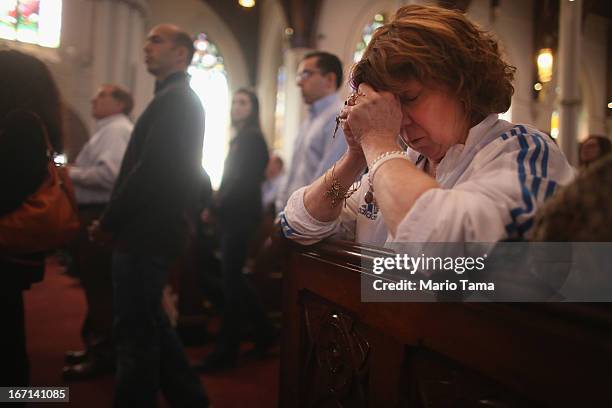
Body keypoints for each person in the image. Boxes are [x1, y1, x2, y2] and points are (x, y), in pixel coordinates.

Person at [280, 5, 574, 246]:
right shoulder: (402, 165)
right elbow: (298, 226)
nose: (397, 120)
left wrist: (378, 142)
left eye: (409, 98)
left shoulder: (523, 149)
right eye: (389, 107)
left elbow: (449, 247)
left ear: (463, 84)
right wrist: (355, 156)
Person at [89, 24, 209, 407]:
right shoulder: (174, 98)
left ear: (181, 54)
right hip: (151, 230)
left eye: (157, 40)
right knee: (150, 323)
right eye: (146, 40)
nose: (146, 47)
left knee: (135, 337)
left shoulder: (176, 100)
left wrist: (109, 220)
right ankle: (191, 400)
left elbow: (151, 172)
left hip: (146, 232)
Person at [195, 88, 276, 372]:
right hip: (234, 213)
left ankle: (227, 350)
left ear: (253, 109)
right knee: (233, 279)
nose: (236, 107)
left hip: (241, 214)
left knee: (231, 280)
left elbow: (241, 181)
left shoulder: (252, 139)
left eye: (243, 103)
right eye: (234, 102)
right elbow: (231, 178)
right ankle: (264, 331)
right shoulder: (241, 138)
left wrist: (215, 207)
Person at [0, 50, 64, 391]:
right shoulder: (25, 121)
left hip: (7, 244)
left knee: (7, 343)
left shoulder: (21, 123)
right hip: (10, 248)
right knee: (8, 331)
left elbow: (8, 189)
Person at [63, 84, 134, 381]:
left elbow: (109, 176)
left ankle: (104, 355)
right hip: (95, 212)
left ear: (119, 104)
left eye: (102, 95)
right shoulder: (108, 129)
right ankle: (96, 348)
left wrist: (68, 173)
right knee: (97, 287)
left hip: (100, 213)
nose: (93, 98)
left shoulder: (116, 130)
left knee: (101, 289)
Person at [274, 51, 348, 213]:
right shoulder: (309, 121)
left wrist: (298, 215)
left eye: (306, 74)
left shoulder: (340, 117)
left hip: (310, 219)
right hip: (290, 216)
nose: (299, 83)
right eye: (299, 76)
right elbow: (292, 171)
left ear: (329, 79)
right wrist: (281, 210)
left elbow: (327, 177)